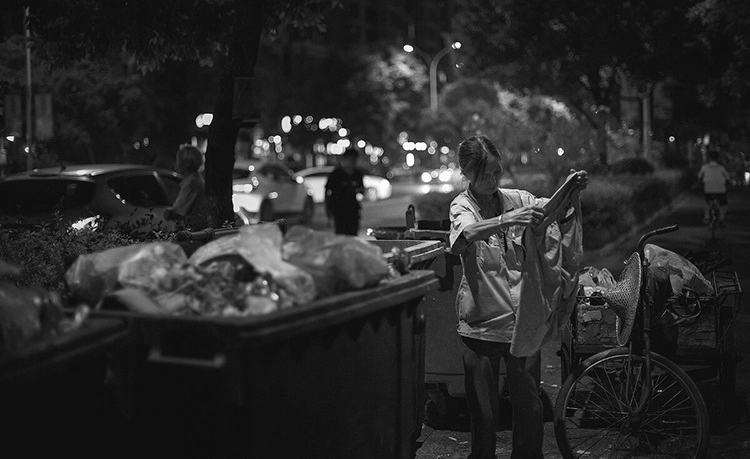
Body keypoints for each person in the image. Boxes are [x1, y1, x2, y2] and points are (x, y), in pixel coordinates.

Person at [448, 136, 587, 459]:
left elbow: (551, 209)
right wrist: (503, 221)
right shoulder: (462, 206)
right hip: (481, 324)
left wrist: (571, 188)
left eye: (497, 172)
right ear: (466, 173)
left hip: (522, 322)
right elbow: (462, 238)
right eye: (485, 176)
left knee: (529, 407)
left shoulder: (517, 198)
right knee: (483, 415)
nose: (494, 181)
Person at [166, 144, 209, 229]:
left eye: (179, 160)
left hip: (191, 231)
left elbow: (178, 211)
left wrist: (168, 214)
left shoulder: (192, 183)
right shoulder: (193, 180)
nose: (176, 163)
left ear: (188, 163)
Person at [325, 147, 365, 235]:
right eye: (351, 160)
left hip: (353, 209)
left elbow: (361, 190)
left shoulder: (357, 174)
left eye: (354, 160)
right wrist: (328, 209)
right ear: (345, 159)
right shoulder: (336, 174)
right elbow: (327, 191)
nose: (353, 162)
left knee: (353, 233)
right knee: (341, 233)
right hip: (339, 209)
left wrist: (359, 193)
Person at [698, 149, 730, 225]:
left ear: (709, 158)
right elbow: (727, 178)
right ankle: (721, 217)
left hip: (708, 189)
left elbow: (699, 177)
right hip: (720, 190)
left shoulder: (704, 167)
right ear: (718, 158)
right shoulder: (721, 167)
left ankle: (707, 216)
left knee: (707, 202)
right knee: (724, 203)